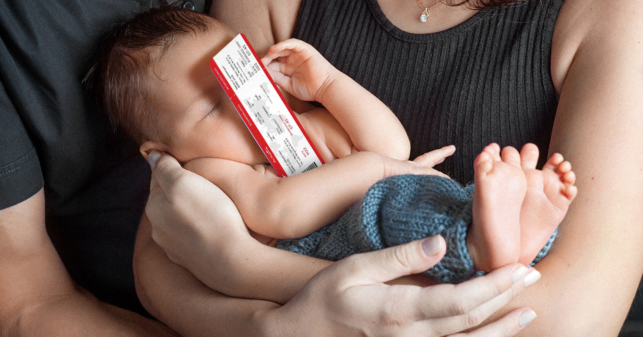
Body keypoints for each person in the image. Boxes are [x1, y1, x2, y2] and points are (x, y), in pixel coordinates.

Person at [0, 0, 545, 335]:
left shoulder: (299, 122)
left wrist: (329, 86)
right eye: (215, 105)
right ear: (159, 152)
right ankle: (485, 241)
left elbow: (392, 144)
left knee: (421, 206)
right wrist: (375, 170)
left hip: (381, 221)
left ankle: (507, 231)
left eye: (243, 80)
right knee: (398, 213)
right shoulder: (209, 174)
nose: (243, 105)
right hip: (329, 250)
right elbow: (280, 211)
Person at [136, 0, 643, 335]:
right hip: (353, 230)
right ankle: (486, 245)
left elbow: (567, 323)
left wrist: (241, 269)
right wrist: (277, 329)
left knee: (410, 208)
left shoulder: (614, 15)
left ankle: (488, 242)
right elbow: (160, 266)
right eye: (209, 109)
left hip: (402, 220)